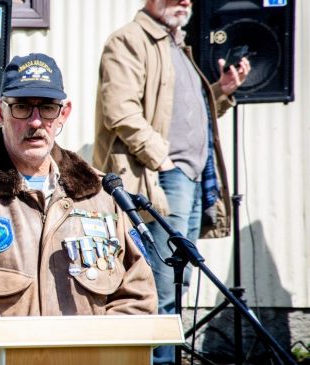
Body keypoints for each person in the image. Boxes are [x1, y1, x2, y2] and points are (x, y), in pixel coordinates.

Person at [0, 52, 158, 354]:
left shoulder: (100, 195)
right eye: (21, 107)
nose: (35, 122)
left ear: (63, 113)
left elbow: (138, 296)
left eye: (46, 108)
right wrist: (20, 352)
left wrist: (88, 352)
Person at [92, 1, 251, 364]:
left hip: (192, 179)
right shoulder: (129, 41)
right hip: (163, 179)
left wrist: (221, 91)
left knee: (178, 285)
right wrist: (161, 159)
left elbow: (185, 114)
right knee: (159, 290)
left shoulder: (175, 45)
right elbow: (120, 109)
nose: (185, 1)